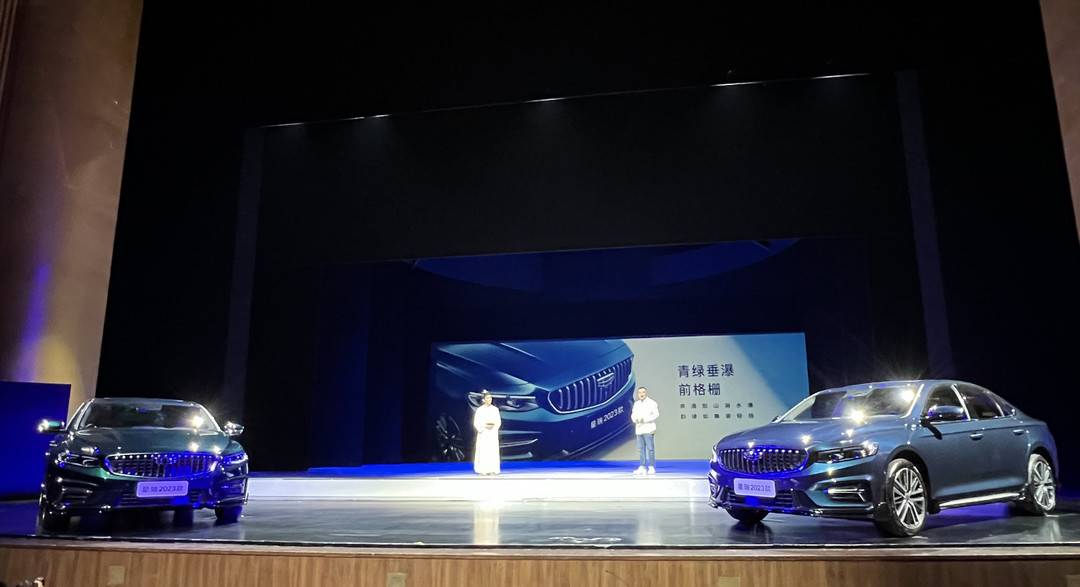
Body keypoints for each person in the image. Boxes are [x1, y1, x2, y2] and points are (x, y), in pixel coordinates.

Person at [630, 386, 659, 475]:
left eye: (643, 392)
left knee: (650, 448)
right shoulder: (636, 404)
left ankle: (651, 466)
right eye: (639, 393)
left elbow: (656, 414)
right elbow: (633, 414)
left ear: (646, 393)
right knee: (641, 449)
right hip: (639, 429)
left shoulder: (652, 403)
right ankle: (642, 466)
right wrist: (635, 419)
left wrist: (645, 419)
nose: (641, 394)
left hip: (648, 428)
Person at [472, 390, 502, 475]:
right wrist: (484, 426)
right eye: (488, 398)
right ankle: (483, 470)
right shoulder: (480, 410)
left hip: (492, 433)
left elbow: (498, 421)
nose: (489, 399)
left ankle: (493, 469)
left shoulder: (495, 409)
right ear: (484, 399)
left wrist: (493, 426)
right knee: (483, 451)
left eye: (490, 398)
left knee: (492, 451)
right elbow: (476, 422)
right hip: (484, 433)